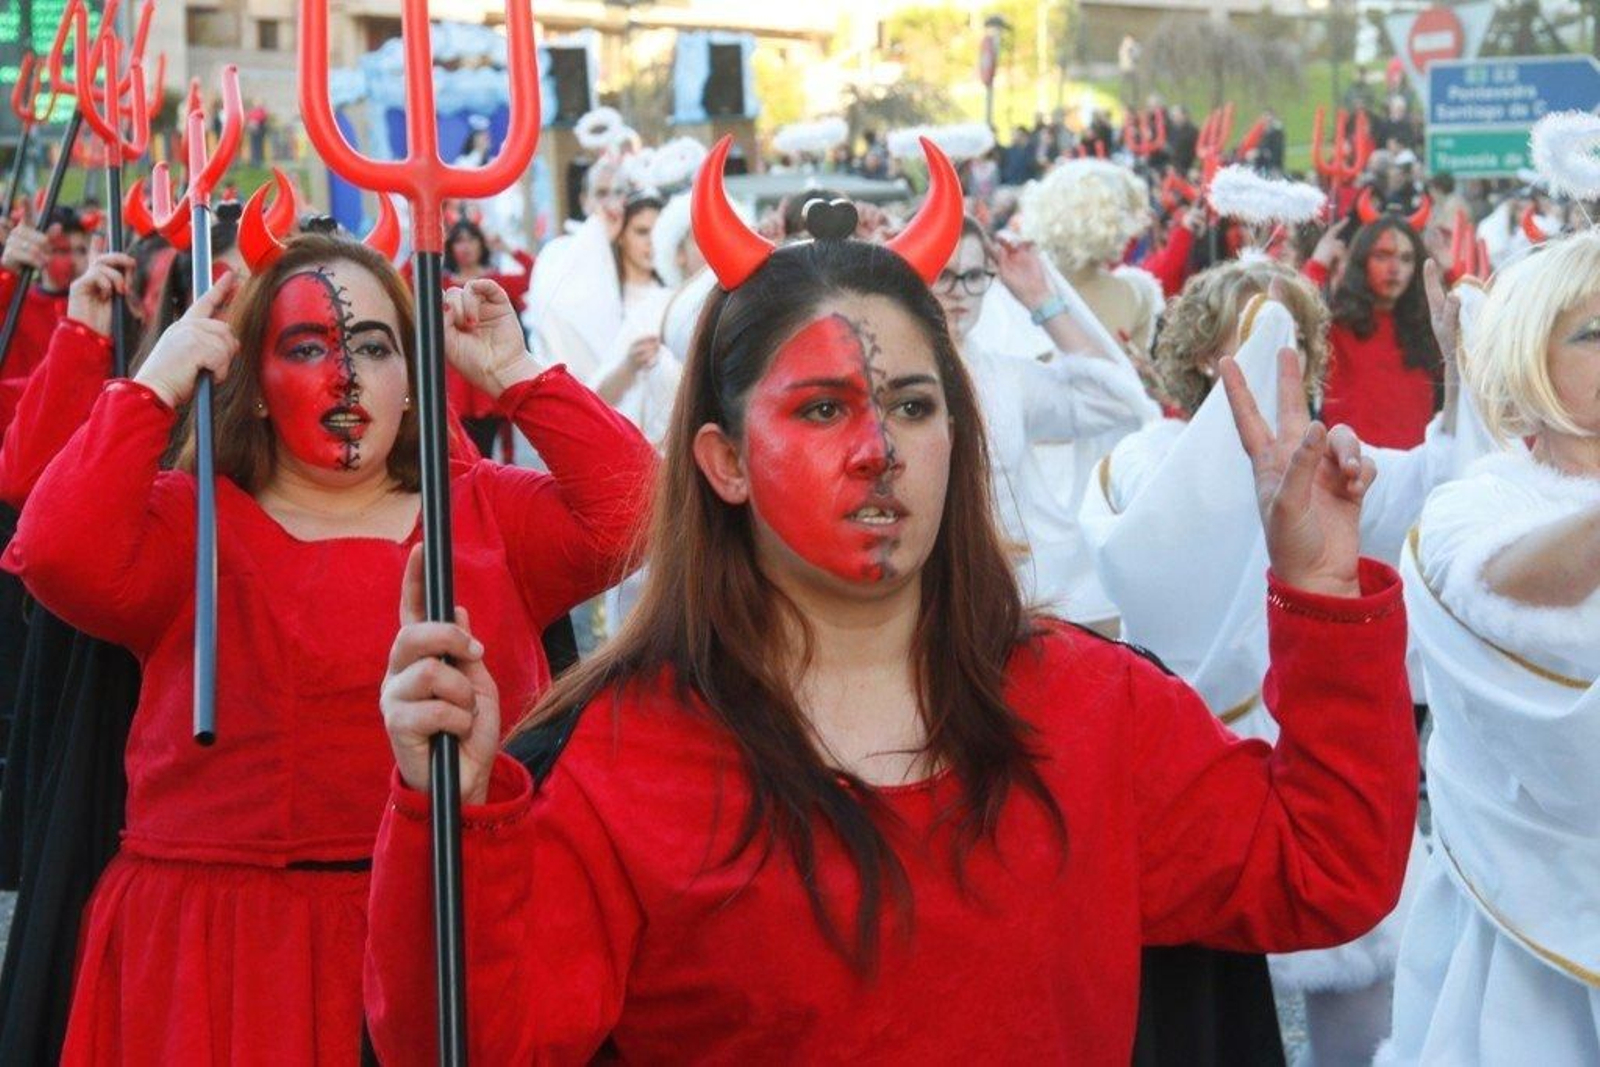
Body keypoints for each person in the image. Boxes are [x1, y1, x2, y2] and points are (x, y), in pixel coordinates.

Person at [363, 141, 1419, 1064]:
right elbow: (473, 1039)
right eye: (822, 408)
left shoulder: (1093, 705)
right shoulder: (622, 755)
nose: (878, 451)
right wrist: (443, 813)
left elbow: (1319, 869)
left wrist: (1322, 592)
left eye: (913, 405)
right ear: (723, 462)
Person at [2, 232, 655, 1062]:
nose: (346, 374)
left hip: (455, 934)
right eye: (306, 346)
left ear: (413, 379)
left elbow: (638, 512)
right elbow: (55, 552)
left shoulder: (484, 509)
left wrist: (517, 376)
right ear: (257, 385)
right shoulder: (187, 519)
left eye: (376, 346)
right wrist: (152, 385)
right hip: (228, 962)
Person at [1084, 256, 1492, 1066]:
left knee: (1362, 994)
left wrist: (1461, 370)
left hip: (1318, 750)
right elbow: (1157, 546)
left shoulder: (1330, 452)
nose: (1285, 354)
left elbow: (1441, 493)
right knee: (1206, 1013)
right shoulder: (1150, 451)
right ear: (1204, 352)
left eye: (1298, 336)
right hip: (1193, 769)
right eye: (1258, 337)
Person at [1386, 230, 1600, 1064]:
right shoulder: (1476, 500)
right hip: (1517, 925)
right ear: (1528, 358)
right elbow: (1493, 584)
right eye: (1593, 331)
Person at [934, 216, 1150, 615]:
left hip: (998, 598)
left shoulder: (1007, 378)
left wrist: (1040, 300)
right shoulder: (877, 376)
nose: (960, 293)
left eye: (974, 276)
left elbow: (1115, 401)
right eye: (943, 275)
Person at [1309, 216, 1442, 448]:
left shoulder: (1430, 327)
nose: (1394, 269)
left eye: (1406, 258)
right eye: (1382, 256)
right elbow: (1287, 320)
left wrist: (1452, 270)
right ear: (1361, 262)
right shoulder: (1335, 323)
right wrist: (1317, 265)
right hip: (1349, 468)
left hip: (1415, 470)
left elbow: (1480, 351)